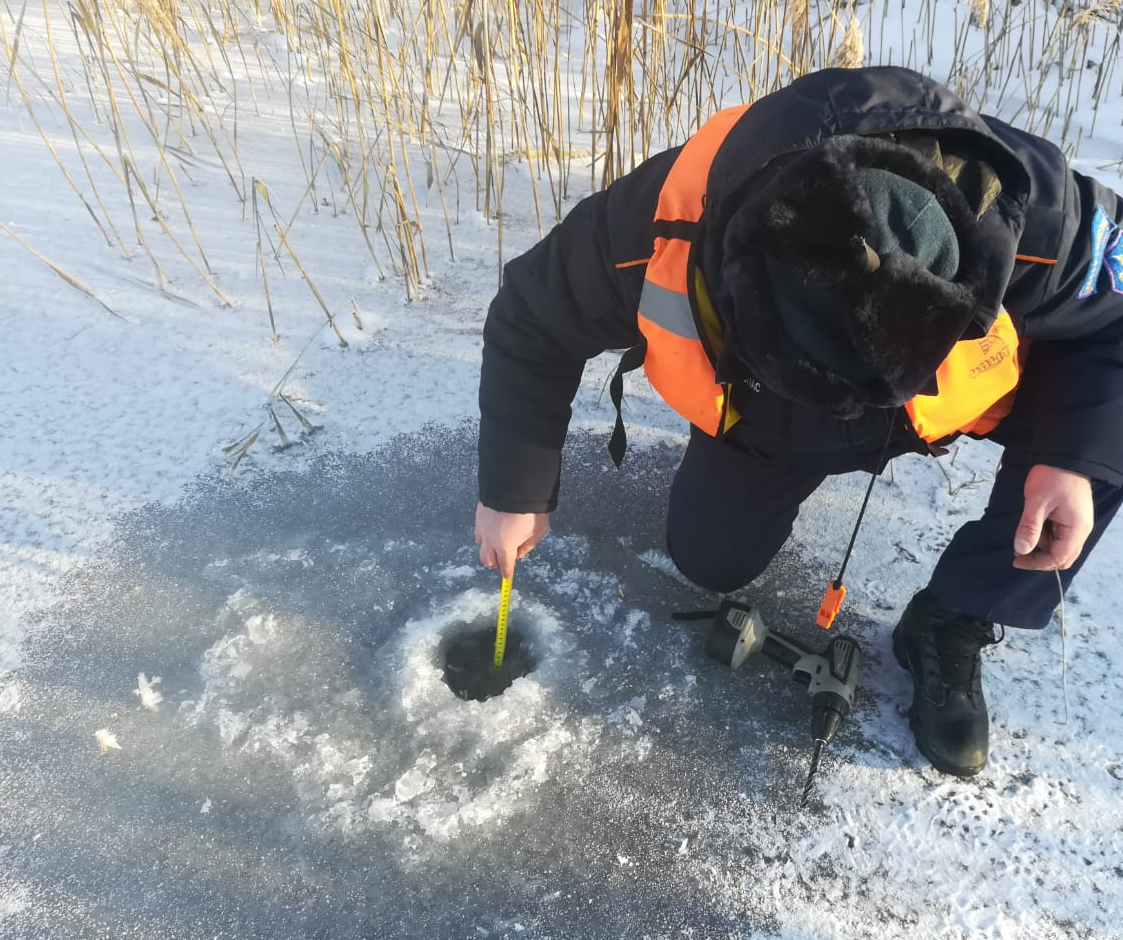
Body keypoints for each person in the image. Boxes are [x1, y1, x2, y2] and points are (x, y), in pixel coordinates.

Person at [473, 66, 1123, 778]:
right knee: (709, 562)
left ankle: (957, 615)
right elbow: (530, 317)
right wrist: (515, 490)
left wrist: (1074, 458)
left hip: (954, 403)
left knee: (1100, 442)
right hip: (768, 420)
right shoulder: (653, 224)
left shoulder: (1034, 214)